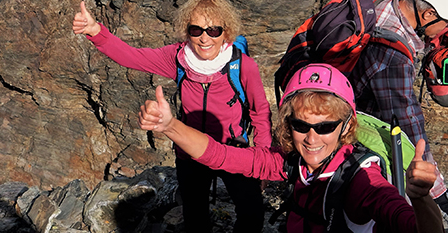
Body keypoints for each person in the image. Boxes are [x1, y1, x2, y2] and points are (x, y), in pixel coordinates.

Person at [138, 63, 443, 233]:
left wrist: (421, 199)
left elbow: (414, 228)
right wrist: (170, 126)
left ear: (347, 127)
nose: (312, 138)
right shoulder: (292, 162)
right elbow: (221, 155)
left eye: (325, 127)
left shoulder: (362, 180)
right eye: (301, 125)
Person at [72, 0, 272, 233]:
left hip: (233, 149)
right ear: (187, 31)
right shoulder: (178, 58)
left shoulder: (242, 65)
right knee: (195, 214)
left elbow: (260, 112)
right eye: (196, 30)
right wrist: (95, 31)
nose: (205, 38)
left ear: (226, 33)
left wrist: (263, 159)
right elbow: (133, 57)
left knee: (251, 212)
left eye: (214, 30)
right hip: (191, 151)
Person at [350, 0, 448, 212]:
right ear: (428, 16)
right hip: (356, 139)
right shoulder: (392, 54)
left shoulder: (380, 1)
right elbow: (408, 125)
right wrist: (438, 192)